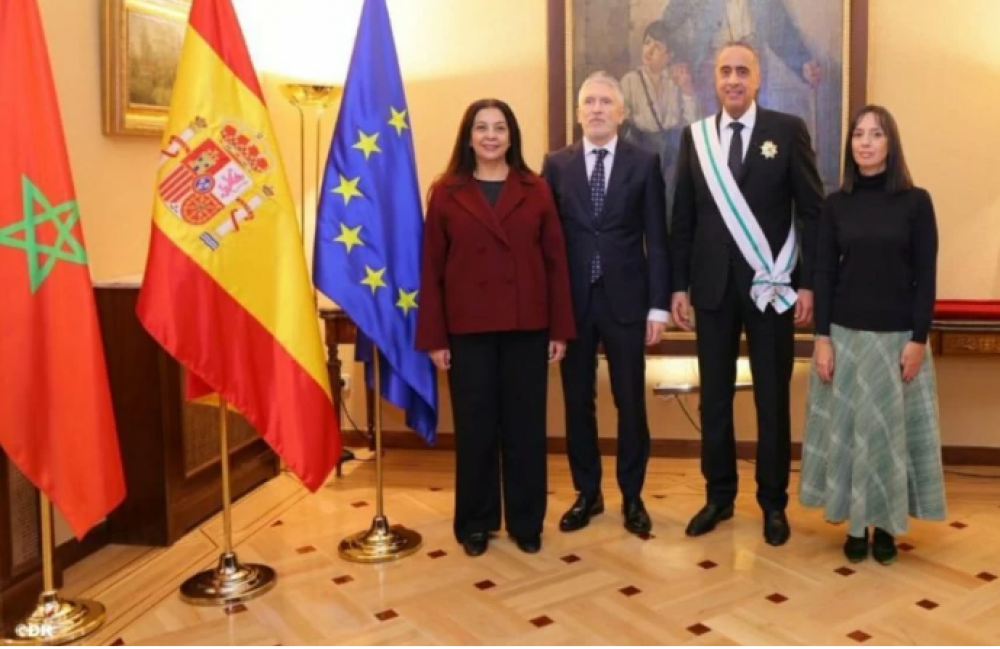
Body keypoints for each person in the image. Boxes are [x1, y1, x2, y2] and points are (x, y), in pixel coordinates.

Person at [669, 41, 823, 546]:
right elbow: (682, 219)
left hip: (771, 287)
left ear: (758, 80)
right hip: (712, 289)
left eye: (742, 71)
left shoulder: (787, 130)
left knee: (772, 398)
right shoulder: (695, 138)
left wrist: (809, 283)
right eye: (725, 71)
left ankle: (773, 502)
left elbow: (812, 212)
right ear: (715, 79)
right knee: (714, 398)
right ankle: (718, 496)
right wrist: (677, 286)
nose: (733, 80)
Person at [416, 99, 576, 557]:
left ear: (511, 137)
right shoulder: (445, 192)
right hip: (467, 330)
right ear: (468, 137)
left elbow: (555, 264)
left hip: (527, 327)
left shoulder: (536, 189)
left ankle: (526, 522)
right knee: (475, 429)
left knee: (526, 429)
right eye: (482, 128)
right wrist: (435, 338)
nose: (491, 136)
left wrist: (559, 331)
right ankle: (476, 522)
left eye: (499, 128)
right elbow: (432, 268)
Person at [799, 105, 945, 565]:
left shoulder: (916, 202)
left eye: (876, 134)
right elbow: (823, 273)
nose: (865, 142)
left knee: (886, 439)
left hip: (897, 341)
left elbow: (926, 276)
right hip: (845, 339)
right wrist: (822, 339)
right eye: (858, 134)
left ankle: (884, 527)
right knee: (850, 437)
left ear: (890, 143)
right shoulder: (835, 204)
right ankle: (854, 525)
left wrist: (918, 339)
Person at [541, 72, 670, 537]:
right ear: (579, 113)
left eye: (605, 102)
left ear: (621, 112)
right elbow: (545, 243)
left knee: (630, 401)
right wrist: (549, 311)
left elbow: (657, 237)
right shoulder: (556, 165)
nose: (597, 109)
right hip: (573, 303)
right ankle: (588, 493)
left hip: (627, 302)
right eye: (589, 102)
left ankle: (632, 496)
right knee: (578, 402)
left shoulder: (644, 163)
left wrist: (658, 307)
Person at [620, 20, 700, 170]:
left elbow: (692, 123)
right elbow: (622, 125)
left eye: (657, 46)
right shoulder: (629, 81)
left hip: (672, 159)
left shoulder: (675, 81)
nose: (649, 50)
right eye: (647, 43)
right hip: (641, 156)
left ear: (669, 55)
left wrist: (687, 89)